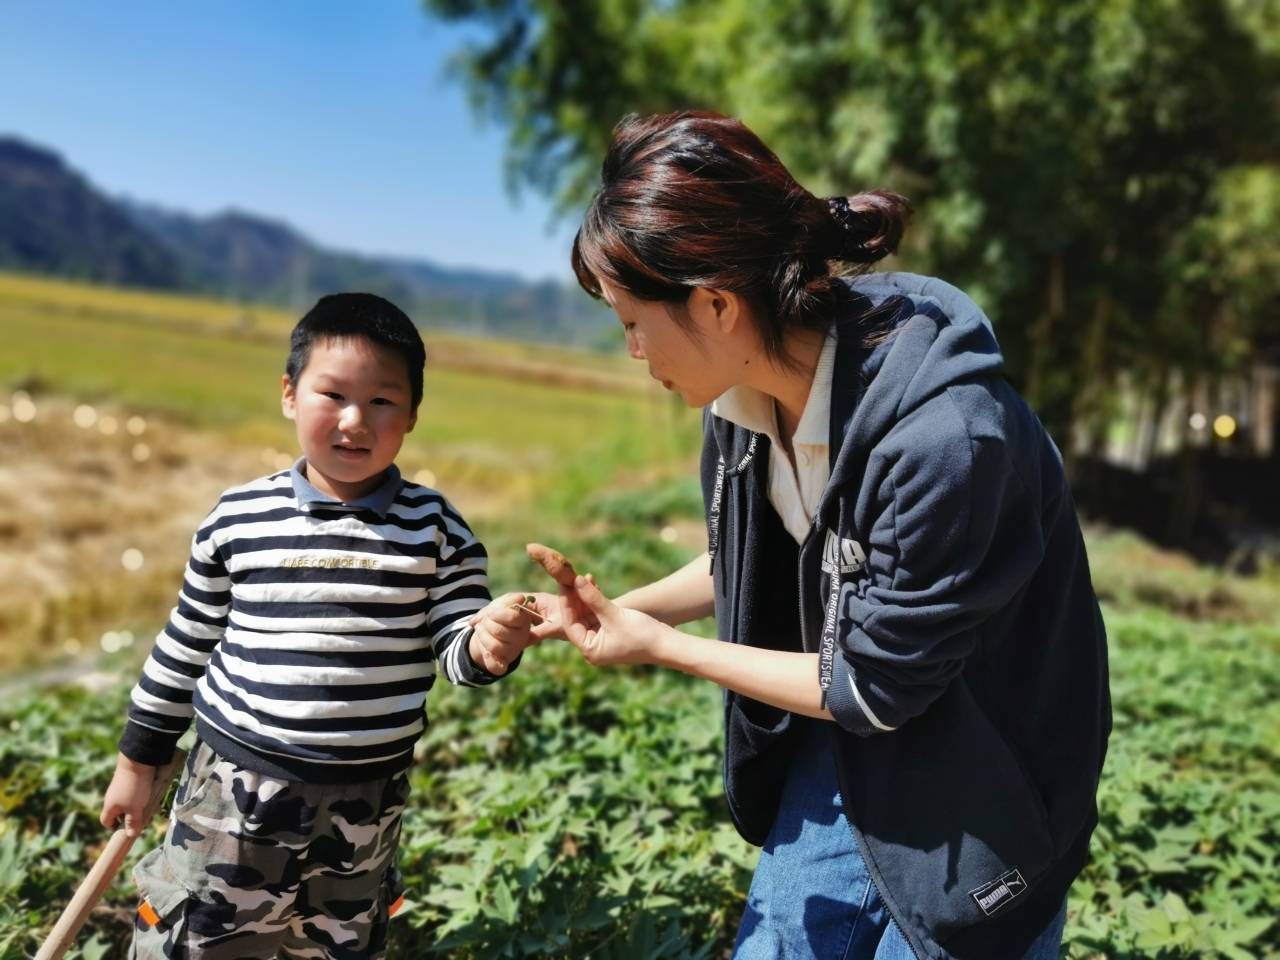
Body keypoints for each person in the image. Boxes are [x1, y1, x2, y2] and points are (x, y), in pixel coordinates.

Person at [539, 112, 1111, 960]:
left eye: (633, 322)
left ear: (717, 304)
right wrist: (610, 610)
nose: (631, 350)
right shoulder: (741, 401)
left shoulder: (945, 438)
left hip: (990, 772)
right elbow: (744, 560)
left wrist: (660, 646)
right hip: (844, 747)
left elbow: (873, 686)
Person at [99, 293, 548, 959]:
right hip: (235, 791)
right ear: (289, 393)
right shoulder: (239, 517)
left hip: (364, 804)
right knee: (199, 941)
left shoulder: (436, 529)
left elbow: (456, 642)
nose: (353, 421)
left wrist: (489, 643)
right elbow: (185, 643)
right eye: (332, 394)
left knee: (335, 946)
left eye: (382, 401)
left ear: (413, 414)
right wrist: (139, 760)